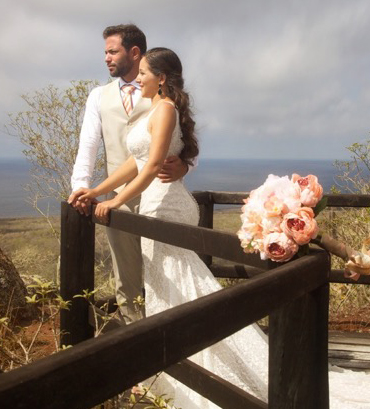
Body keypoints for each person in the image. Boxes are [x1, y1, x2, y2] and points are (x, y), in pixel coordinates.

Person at [69, 48, 370, 409]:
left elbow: (149, 168)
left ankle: (195, 367)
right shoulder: (155, 110)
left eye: (145, 73)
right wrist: (98, 190)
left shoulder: (165, 110)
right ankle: (172, 369)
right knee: (167, 288)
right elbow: (134, 162)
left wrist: (115, 203)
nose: (139, 79)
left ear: (161, 78)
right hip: (153, 206)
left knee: (179, 286)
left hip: (167, 207)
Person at [70, 25, 189, 323]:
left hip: (160, 195)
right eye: (105, 52)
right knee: (127, 277)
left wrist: (187, 165)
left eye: (112, 51)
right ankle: (135, 338)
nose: (106, 58)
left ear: (134, 52)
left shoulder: (161, 97)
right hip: (119, 197)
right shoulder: (99, 96)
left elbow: (183, 141)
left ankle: (170, 334)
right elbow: (89, 144)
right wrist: (84, 188)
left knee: (166, 274)